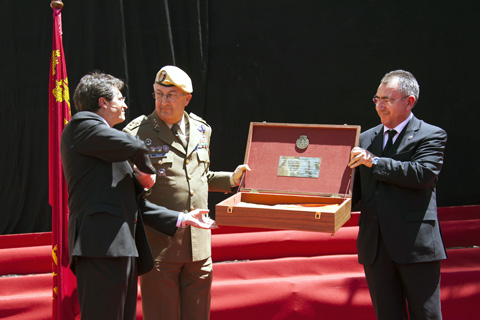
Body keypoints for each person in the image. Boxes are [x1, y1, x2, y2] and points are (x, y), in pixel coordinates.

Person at [60, 71, 217, 320]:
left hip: (121, 248)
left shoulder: (107, 141)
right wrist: (146, 172)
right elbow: (136, 145)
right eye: (120, 99)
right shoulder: (82, 126)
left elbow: (132, 202)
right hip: (100, 247)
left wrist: (181, 218)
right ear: (103, 102)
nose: (125, 104)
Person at [123, 65, 250, 320]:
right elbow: (131, 193)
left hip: (198, 246)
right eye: (158, 94)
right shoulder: (135, 133)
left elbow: (199, 177)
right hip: (161, 246)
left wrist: (232, 179)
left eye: (171, 95)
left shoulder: (202, 129)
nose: (163, 101)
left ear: (187, 99)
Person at [348, 70, 447, 319]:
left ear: (409, 101)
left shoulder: (431, 135)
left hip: (415, 247)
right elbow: (353, 191)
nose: (380, 106)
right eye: (377, 99)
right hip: (376, 248)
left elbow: (422, 174)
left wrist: (376, 162)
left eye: (388, 100)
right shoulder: (365, 139)